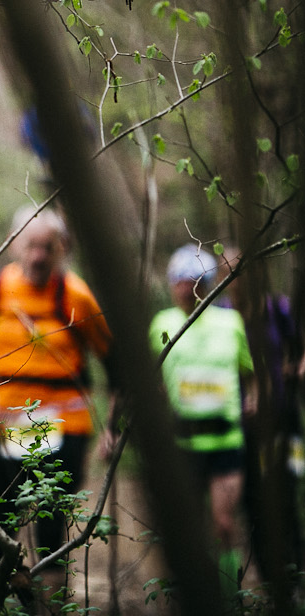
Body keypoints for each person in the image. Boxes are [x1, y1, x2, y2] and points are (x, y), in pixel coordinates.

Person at [0, 205, 110, 565]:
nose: (38, 256)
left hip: (67, 424)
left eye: (47, 247)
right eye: (31, 245)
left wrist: (112, 428)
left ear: (61, 248)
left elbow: (116, 368)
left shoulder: (76, 297)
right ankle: (8, 590)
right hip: (8, 425)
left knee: (50, 537)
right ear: (14, 243)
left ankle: (50, 590)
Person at [150, 246, 253, 590]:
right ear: (170, 285)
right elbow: (148, 376)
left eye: (194, 282)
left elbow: (248, 371)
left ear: (209, 284)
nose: (186, 289)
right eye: (179, 282)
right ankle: (194, 596)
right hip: (183, 443)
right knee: (189, 529)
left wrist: (252, 397)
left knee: (224, 526)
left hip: (226, 440)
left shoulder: (230, 322)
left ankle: (230, 598)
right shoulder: (162, 323)